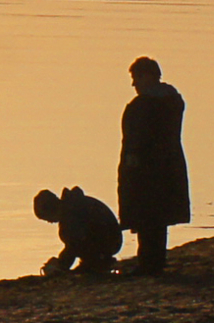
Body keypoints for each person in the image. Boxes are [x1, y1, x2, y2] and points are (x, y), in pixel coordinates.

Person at [117, 56, 190, 275]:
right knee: (159, 217)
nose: (134, 84)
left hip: (145, 168)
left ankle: (149, 262)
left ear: (147, 76)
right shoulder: (173, 101)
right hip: (169, 164)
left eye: (136, 78)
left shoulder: (144, 105)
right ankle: (155, 260)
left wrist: (131, 163)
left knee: (147, 214)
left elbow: (135, 138)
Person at [34, 186, 122, 276]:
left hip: (107, 243)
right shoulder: (74, 205)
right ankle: (98, 261)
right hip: (113, 240)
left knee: (71, 237)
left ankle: (98, 263)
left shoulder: (71, 215)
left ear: (51, 210)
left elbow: (74, 245)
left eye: (46, 218)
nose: (49, 222)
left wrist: (60, 265)